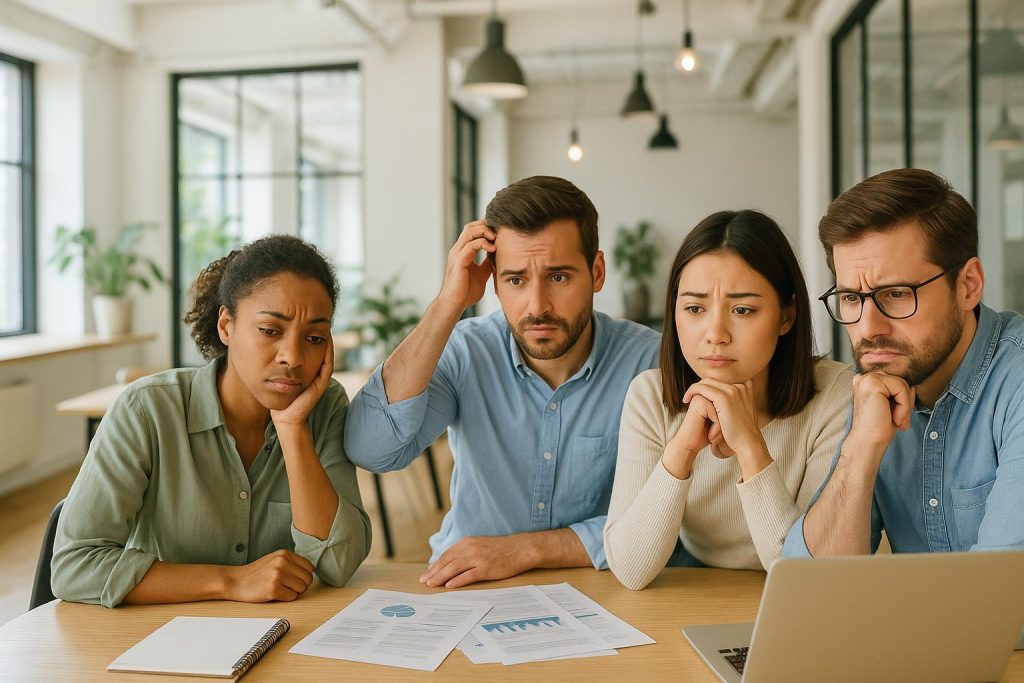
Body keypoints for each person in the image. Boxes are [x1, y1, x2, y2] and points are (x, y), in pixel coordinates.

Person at [344, 176, 660, 589]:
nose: (537, 306)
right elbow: (372, 451)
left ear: (596, 272)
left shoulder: (649, 362)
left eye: (559, 277)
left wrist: (525, 550)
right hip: (467, 586)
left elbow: (659, 518)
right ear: (494, 282)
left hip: (600, 583)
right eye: (515, 280)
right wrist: (448, 304)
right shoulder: (465, 351)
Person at [52, 235, 371, 608]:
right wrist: (229, 581)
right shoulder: (147, 411)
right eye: (270, 330)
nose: (293, 357)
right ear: (226, 326)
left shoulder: (324, 406)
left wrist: (291, 427)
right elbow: (74, 565)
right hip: (155, 642)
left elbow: (339, 562)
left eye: (315, 337)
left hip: (281, 641)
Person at [603, 210, 852, 590]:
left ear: (786, 316)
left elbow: (806, 576)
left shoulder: (835, 395)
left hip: (796, 606)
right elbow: (631, 570)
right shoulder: (649, 395)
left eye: (743, 310)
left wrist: (751, 447)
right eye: (694, 309)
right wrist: (683, 447)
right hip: (698, 597)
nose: (715, 334)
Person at [783, 168, 1024, 557]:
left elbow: (1006, 598)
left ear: (969, 285)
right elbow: (812, 583)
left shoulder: (1017, 387)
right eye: (850, 298)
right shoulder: (879, 386)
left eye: (895, 294)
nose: (868, 328)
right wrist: (859, 449)